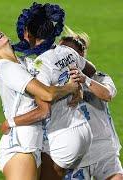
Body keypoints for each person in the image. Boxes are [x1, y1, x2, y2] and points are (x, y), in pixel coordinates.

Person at [0, 28, 80, 180]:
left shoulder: (23, 62)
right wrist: (71, 87)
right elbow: (47, 94)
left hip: (31, 144)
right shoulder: (7, 68)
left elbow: (45, 104)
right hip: (19, 146)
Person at [12, 3, 96, 179]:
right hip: (83, 129)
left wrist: (10, 122)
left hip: (63, 135)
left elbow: (44, 110)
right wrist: (78, 85)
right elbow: (91, 70)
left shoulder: (40, 66)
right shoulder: (66, 50)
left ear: (28, 33)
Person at [60, 28, 123, 180]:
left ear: (80, 57)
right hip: (76, 157)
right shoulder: (56, 83)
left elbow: (107, 94)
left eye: (67, 53)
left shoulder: (99, 77)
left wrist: (85, 80)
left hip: (105, 151)